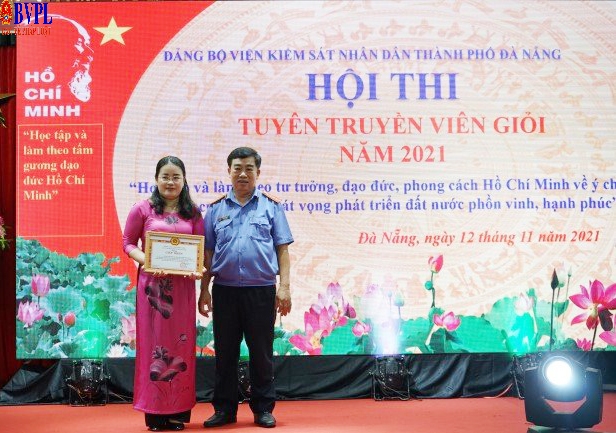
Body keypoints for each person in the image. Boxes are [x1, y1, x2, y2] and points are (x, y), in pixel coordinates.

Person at [198, 147, 293, 429]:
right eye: (237, 168)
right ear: (229, 172)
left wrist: (284, 287)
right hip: (224, 290)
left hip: (261, 291)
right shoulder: (215, 210)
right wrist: (204, 290)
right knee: (225, 353)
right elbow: (207, 254)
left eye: (249, 168)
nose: (242, 174)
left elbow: (283, 250)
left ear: (257, 172)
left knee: (261, 353)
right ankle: (224, 409)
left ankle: (263, 408)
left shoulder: (271, 207)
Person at [123, 156, 205, 431]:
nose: (170, 182)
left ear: (184, 180)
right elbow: (127, 243)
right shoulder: (142, 209)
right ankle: (155, 414)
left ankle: (177, 411)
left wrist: (198, 269)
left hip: (182, 290)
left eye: (175, 177)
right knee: (153, 347)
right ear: (156, 179)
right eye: (165, 177)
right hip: (153, 291)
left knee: (181, 346)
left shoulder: (193, 213)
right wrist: (146, 260)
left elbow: (199, 250)